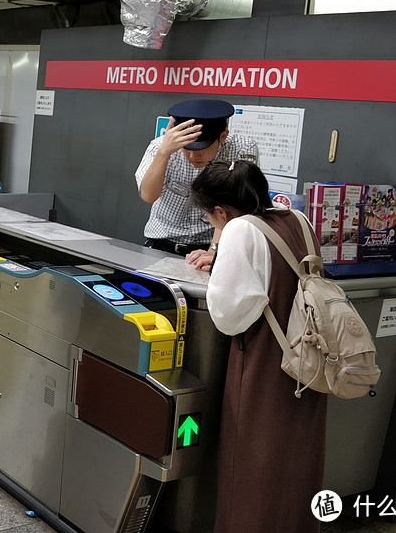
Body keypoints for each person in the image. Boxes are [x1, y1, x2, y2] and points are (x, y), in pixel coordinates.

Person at [191, 160, 326, 533]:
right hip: (311, 355)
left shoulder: (239, 230)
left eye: (209, 217)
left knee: (251, 459)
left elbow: (229, 315)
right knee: (299, 456)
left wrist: (220, 252)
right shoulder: (298, 219)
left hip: (266, 359)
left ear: (220, 211)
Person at [135, 99, 259, 270]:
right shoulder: (160, 147)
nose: (193, 157)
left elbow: (234, 205)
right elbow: (148, 195)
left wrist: (215, 249)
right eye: (186, 149)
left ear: (222, 136)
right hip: (162, 242)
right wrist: (163, 152)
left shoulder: (241, 148)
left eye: (201, 150)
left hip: (213, 245)